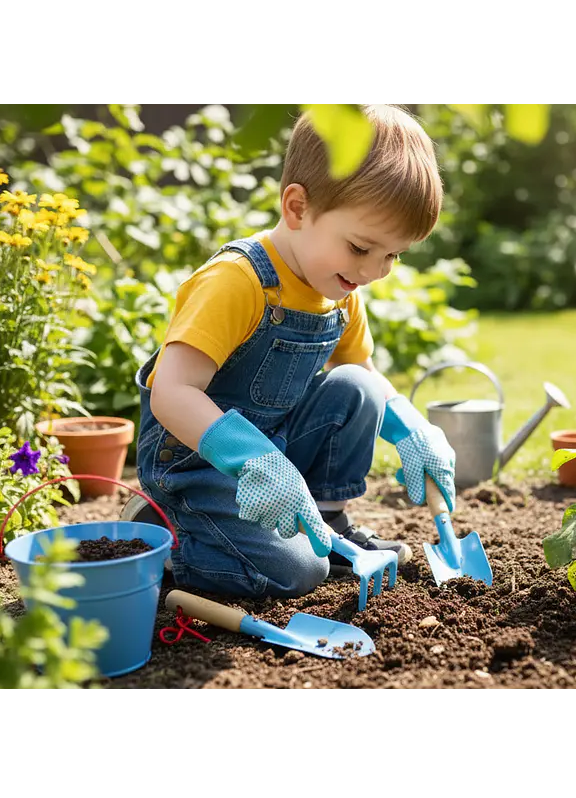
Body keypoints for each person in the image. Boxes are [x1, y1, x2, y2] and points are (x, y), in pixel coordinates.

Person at [122, 103, 457, 599]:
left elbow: (364, 375)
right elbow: (171, 393)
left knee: (360, 386)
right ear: (297, 207)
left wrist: (411, 428)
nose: (373, 271)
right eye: (361, 248)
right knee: (297, 572)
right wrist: (252, 457)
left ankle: (327, 522)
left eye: (392, 254)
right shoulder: (237, 281)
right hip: (194, 464)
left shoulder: (340, 291)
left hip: (274, 455)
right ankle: (168, 529)